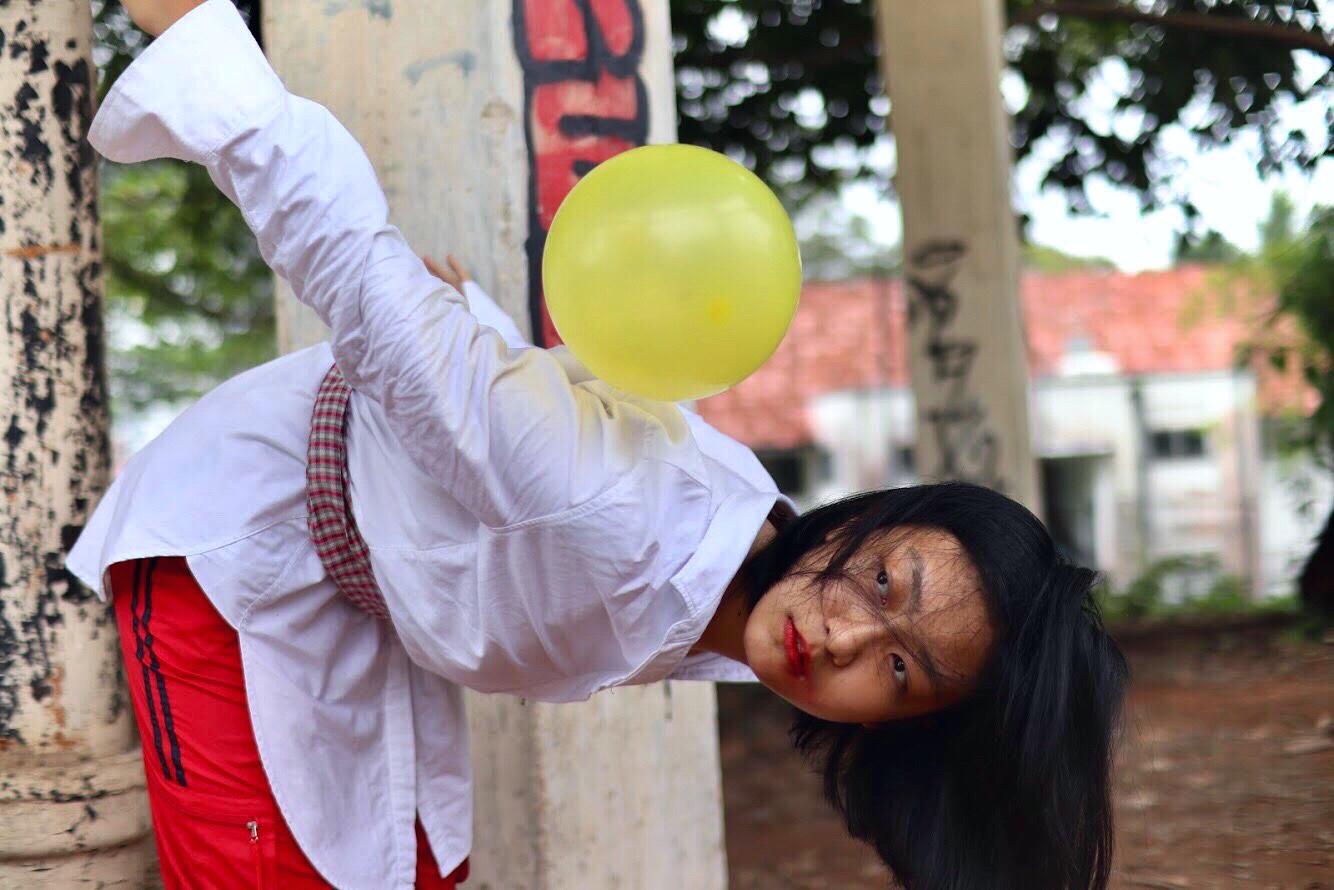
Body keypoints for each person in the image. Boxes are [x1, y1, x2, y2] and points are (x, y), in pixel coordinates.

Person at [69, 1, 1129, 887]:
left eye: (899, 670)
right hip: (244, 544)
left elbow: (558, 428)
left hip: (375, 596)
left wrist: (475, 331)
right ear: (868, 520)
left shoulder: (743, 553)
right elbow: (355, 267)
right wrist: (205, 42)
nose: (843, 634)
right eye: (884, 579)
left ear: (907, 727)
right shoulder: (618, 514)